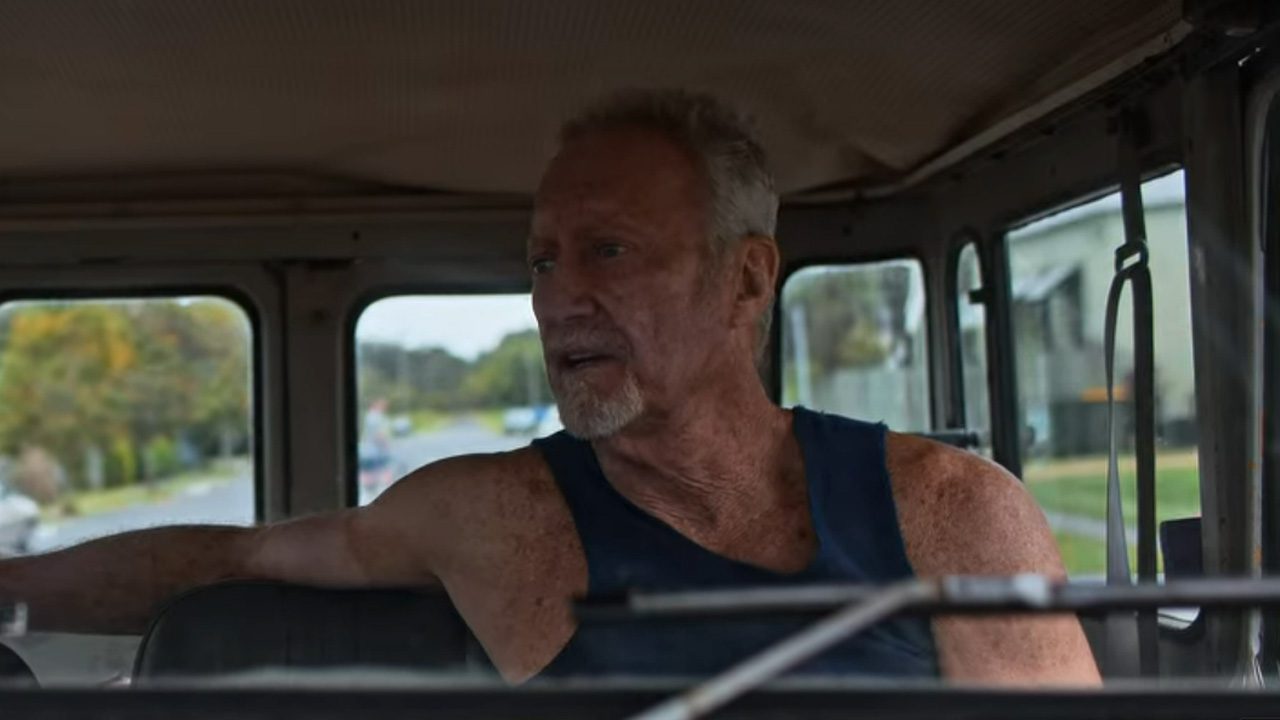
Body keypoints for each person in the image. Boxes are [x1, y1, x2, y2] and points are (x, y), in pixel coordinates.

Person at [0, 90, 1099, 685]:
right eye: (539, 259)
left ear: (745, 278)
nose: (557, 296)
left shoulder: (955, 515)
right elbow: (228, 559)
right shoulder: (487, 515)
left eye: (608, 251)